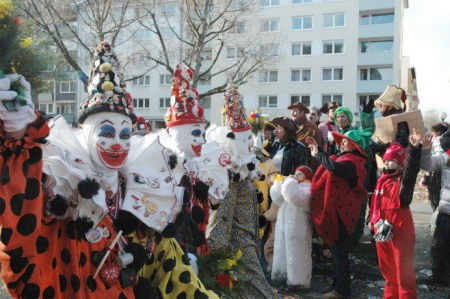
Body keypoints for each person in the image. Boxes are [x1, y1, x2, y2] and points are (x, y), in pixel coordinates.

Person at [206, 83, 276, 298]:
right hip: (234, 250)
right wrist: (217, 260)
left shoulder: (244, 170)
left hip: (245, 241)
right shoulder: (228, 174)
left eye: (249, 139)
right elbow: (220, 222)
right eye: (243, 140)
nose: (248, 146)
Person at [305, 130, 368, 299]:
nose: (342, 143)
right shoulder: (347, 160)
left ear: (355, 145)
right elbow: (332, 165)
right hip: (339, 211)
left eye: (346, 141)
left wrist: (318, 153)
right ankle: (338, 286)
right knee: (337, 253)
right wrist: (318, 151)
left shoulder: (353, 162)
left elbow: (334, 168)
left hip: (343, 214)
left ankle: (341, 290)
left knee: (340, 253)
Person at [368, 132, 423, 299]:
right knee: (388, 271)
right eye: (385, 160)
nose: (386, 163)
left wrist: (414, 149)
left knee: (403, 273)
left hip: (400, 230)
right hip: (382, 229)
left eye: (390, 160)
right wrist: (373, 222)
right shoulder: (381, 179)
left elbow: (412, 169)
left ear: (400, 164)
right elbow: (374, 204)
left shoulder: (403, 182)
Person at [270, 166, 313, 291]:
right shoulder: (293, 185)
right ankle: (280, 276)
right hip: (284, 224)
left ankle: (298, 282)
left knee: (297, 253)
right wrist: (278, 184)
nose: (296, 176)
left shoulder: (308, 187)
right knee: (281, 249)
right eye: (296, 173)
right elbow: (277, 198)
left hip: (298, 226)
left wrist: (288, 182)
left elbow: (293, 196)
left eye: (300, 174)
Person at [420, 129, 450, 287]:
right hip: (446, 212)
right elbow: (427, 164)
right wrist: (425, 149)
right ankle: (440, 279)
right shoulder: (448, 156)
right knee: (439, 249)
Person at [288, 102, 322, 170]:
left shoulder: (312, 128)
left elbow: (317, 152)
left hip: (304, 170)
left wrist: (310, 171)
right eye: (292, 111)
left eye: (295, 111)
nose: (292, 113)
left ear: (302, 112)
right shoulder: (289, 126)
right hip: (289, 167)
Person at [421, 122, 447, 211]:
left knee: (435, 197)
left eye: (433, 131)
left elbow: (436, 160)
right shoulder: (439, 141)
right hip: (435, 171)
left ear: (439, 132)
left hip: (436, 173)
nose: (432, 134)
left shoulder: (439, 142)